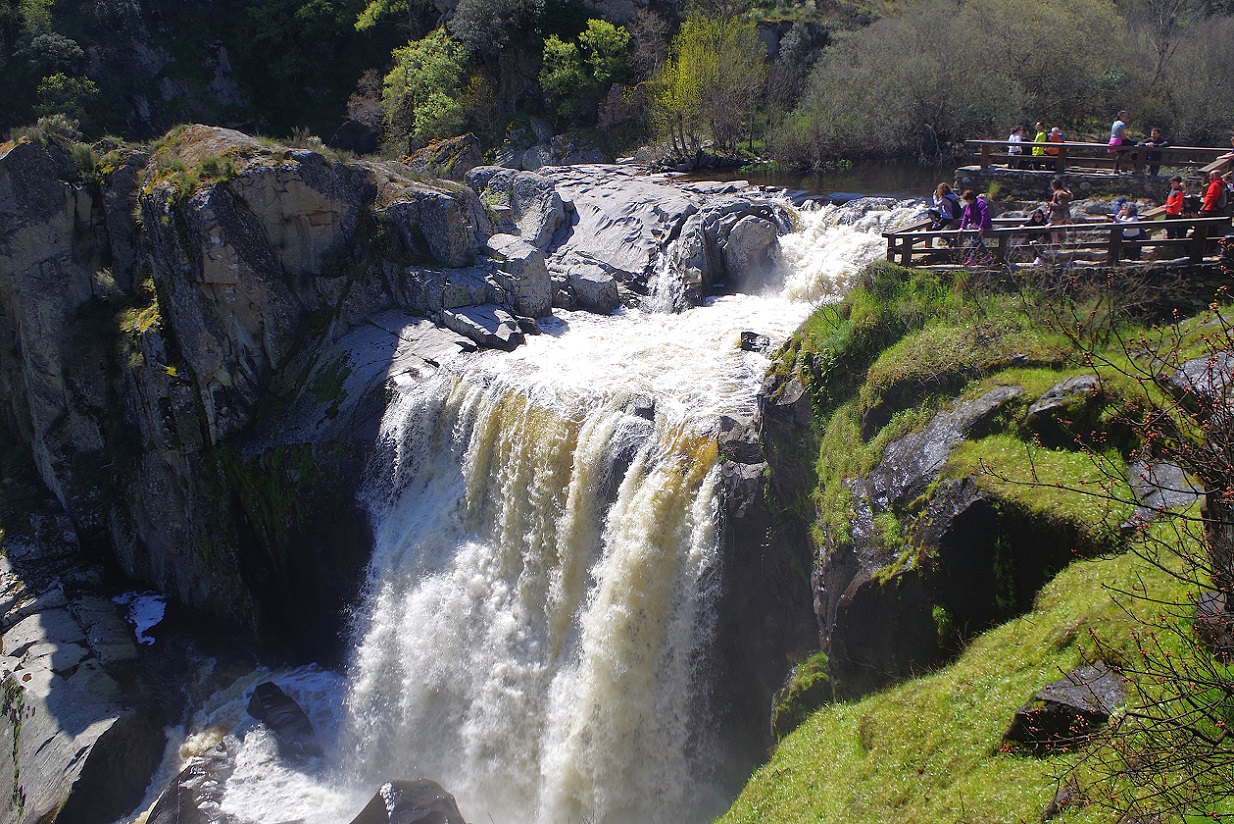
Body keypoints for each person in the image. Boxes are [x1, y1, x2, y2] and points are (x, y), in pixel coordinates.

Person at [959, 189, 993, 265]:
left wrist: (981, 226)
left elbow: (984, 215)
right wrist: (962, 227)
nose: (966, 202)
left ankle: (976, 258)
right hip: (975, 226)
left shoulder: (981, 203)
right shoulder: (969, 206)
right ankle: (978, 258)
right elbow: (965, 216)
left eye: (966, 200)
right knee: (974, 242)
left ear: (970, 199)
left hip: (984, 225)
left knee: (975, 241)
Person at [1047, 177, 1073, 244]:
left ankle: (1055, 244)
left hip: (1058, 216)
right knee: (1060, 231)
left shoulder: (1060, 194)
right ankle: (1060, 244)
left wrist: (1052, 204)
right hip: (1064, 215)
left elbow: (1061, 205)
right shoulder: (1063, 193)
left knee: (1053, 229)